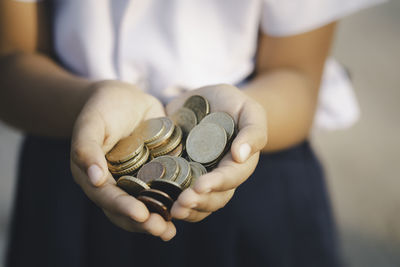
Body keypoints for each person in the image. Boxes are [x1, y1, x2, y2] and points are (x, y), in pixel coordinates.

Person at [0, 0, 384, 266]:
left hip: (249, 175)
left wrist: (245, 119)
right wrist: (88, 100)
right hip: (72, 160)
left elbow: (298, 77)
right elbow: (9, 65)